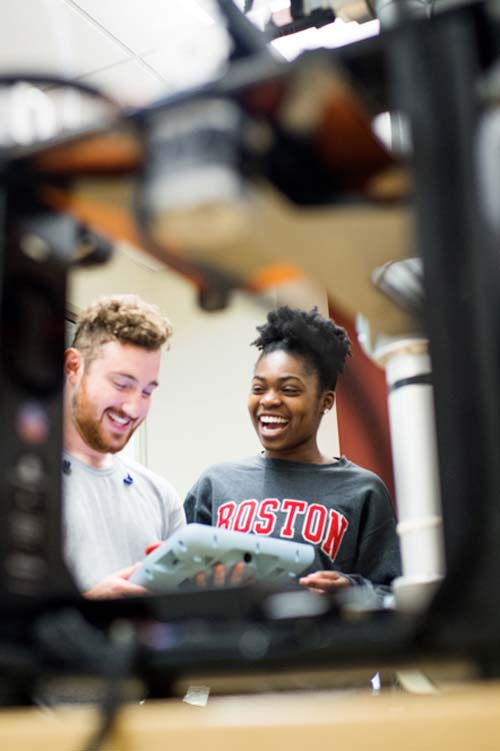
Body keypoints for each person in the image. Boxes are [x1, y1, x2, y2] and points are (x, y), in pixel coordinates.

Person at [184, 306, 401, 595]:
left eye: (289, 390)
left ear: (325, 401)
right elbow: (177, 583)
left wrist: (351, 591)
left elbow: (392, 594)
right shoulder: (215, 483)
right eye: (259, 388)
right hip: (231, 639)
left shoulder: (364, 491)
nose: (269, 401)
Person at [63, 294, 185, 599]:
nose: (133, 408)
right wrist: (88, 607)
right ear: (73, 367)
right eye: (122, 385)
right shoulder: (22, 480)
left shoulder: (161, 497)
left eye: (147, 391)